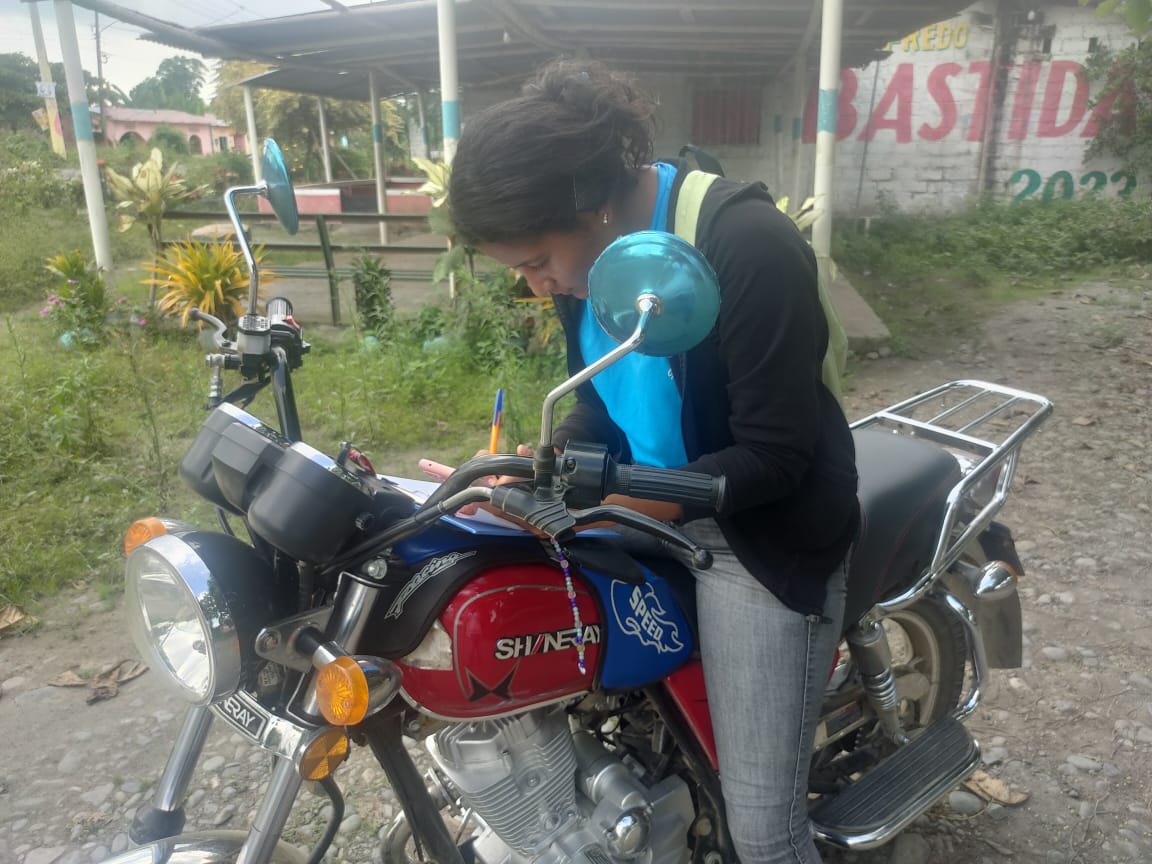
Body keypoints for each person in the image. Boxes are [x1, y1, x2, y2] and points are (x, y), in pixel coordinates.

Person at [446, 59, 860, 864]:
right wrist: (551, 462)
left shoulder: (747, 244)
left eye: (536, 261)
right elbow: (605, 399)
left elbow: (775, 458)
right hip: (642, 504)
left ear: (589, 205)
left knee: (763, 835)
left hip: (756, 535)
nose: (537, 285)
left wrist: (609, 504)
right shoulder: (590, 262)